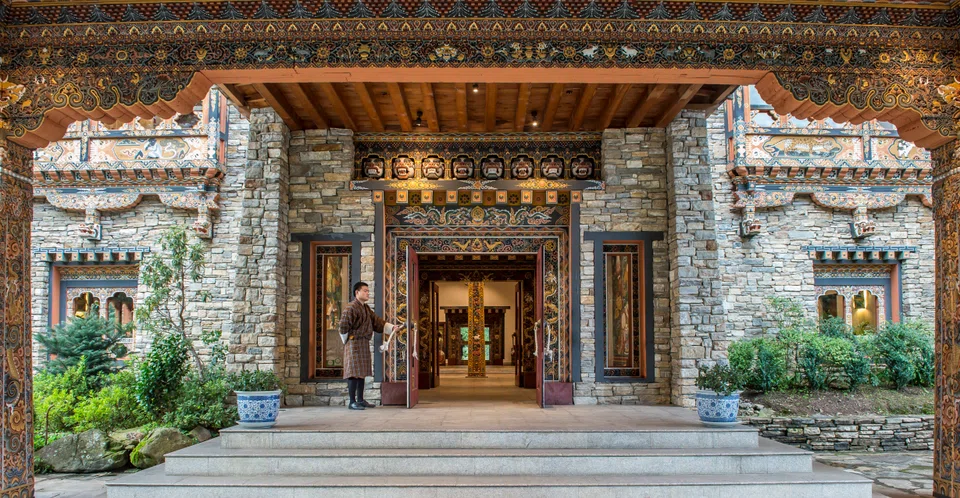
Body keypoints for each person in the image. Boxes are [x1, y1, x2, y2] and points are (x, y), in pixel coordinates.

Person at [339, 281, 402, 410]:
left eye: (368, 291)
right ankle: (352, 401)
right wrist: (347, 341)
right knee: (353, 373)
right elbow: (343, 327)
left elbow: (377, 322)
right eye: (365, 291)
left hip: (363, 343)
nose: (368, 293)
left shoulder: (366, 308)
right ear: (357, 292)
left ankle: (360, 400)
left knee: (361, 373)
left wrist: (391, 327)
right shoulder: (350, 308)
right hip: (353, 343)